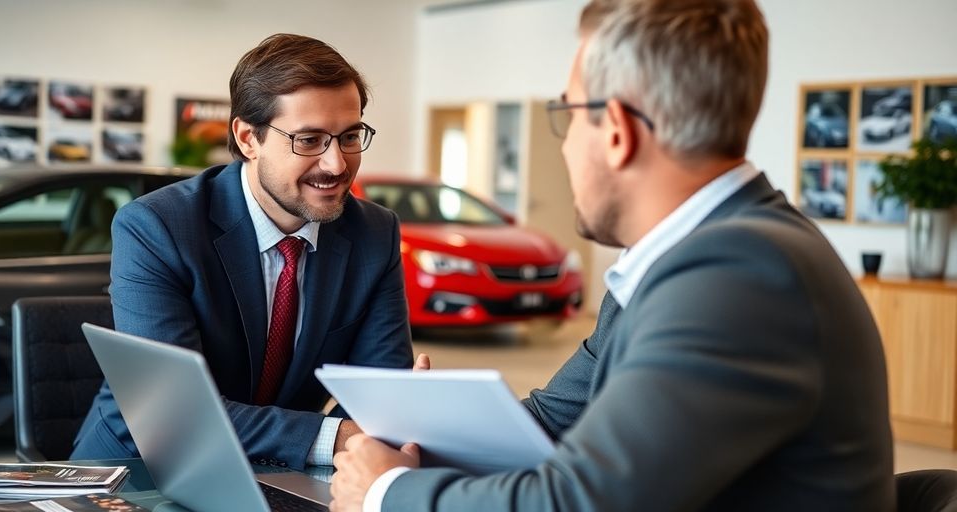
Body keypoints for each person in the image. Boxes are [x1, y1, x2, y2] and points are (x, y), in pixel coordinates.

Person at [330, 0, 894, 510]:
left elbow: (584, 502)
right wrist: (428, 437)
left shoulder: (739, 278)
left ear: (618, 132)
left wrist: (387, 492)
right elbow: (554, 421)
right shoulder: (688, 259)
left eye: (570, 115)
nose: (568, 141)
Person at [72, 33, 422, 470]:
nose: (336, 165)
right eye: (309, 140)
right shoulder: (158, 227)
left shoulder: (374, 232)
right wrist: (339, 437)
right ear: (247, 138)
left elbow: (380, 394)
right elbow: (171, 412)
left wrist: (386, 420)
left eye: (349, 136)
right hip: (142, 469)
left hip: (283, 471)